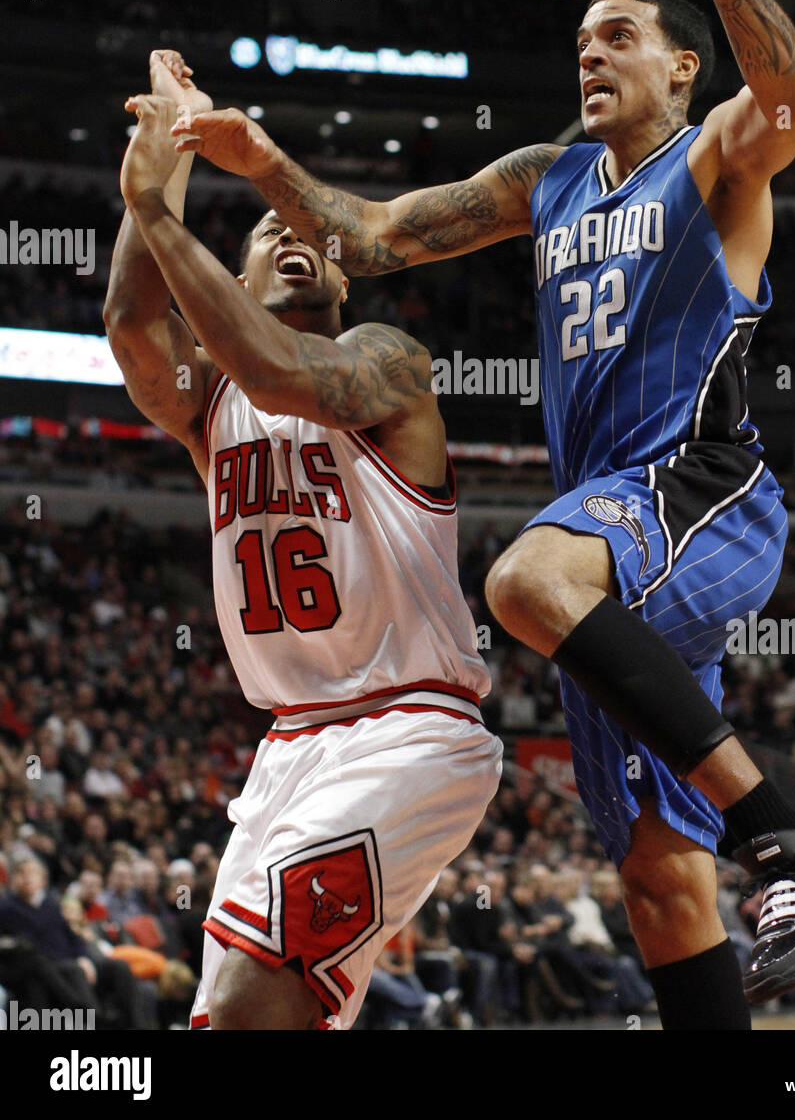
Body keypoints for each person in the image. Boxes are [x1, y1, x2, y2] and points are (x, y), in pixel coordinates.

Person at [172, 0, 795, 1027]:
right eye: (579, 39)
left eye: (619, 35)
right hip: (605, 540)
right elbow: (378, 236)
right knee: (661, 877)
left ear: (679, 71)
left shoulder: (715, 157)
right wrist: (260, 162)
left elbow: (784, 96)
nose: (591, 53)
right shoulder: (544, 179)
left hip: (693, 486)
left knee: (521, 583)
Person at [103, 51, 502, 1029]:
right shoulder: (208, 409)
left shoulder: (386, 364)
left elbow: (280, 369)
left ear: (344, 284)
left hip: (410, 728)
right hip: (285, 753)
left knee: (249, 1004)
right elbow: (130, 318)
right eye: (268, 231)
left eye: (312, 239)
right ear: (229, 281)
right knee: (259, 1020)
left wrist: (160, 213)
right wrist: (168, 148)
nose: (293, 235)